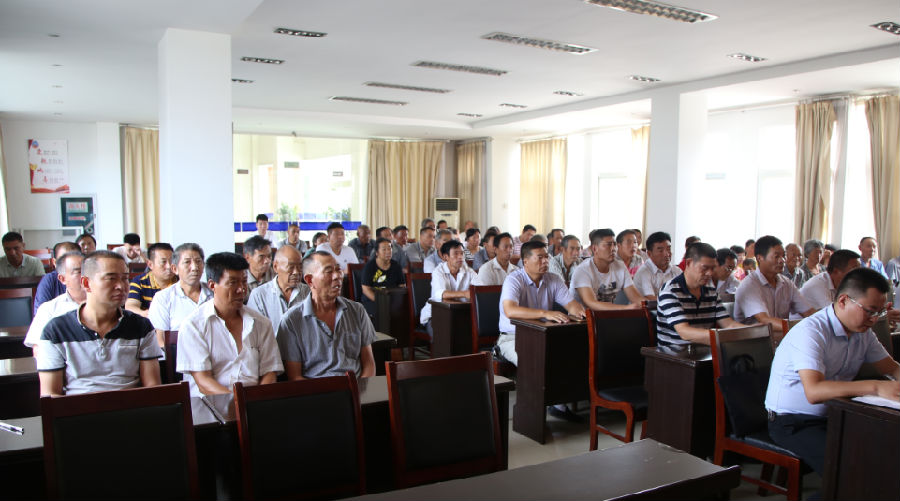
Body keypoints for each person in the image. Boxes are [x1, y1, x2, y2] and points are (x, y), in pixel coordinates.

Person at [765, 268, 899, 477]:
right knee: (852, 469)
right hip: (792, 421)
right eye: (870, 311)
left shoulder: (862, 332)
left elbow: (892, 368)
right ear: (844, 300)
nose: (874, 320)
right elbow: (814, 391)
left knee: (886, 449)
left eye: (879, 313)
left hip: (835, 414)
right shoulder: (811, 331)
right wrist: (876, 388)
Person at [36, 251, 161, 395]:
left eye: (125, 278)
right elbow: (50, 395)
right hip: (77, 407)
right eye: (111, 278)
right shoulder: (56, 331)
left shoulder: (141, 326)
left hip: (131, 406)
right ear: (86, 283)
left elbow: (152, 388)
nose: (121, 286)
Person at [177, 252, 283, 396]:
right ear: (212, 285)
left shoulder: (261, 323)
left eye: (244, 281)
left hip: (254, 401)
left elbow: (269, 373)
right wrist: (239, 403)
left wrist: (256, 401)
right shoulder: (194, 326)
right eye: (232, 283)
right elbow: (203, 382)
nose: (241, 289)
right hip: (210, 404)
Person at [277, 252, 376, 379]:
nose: (337, 276)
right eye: (329, 271)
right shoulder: (291, 320)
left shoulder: (357, 311)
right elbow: (295, 377)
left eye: (338, 269)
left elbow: (369, 363)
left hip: (357, 386)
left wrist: (362, 389)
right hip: (315, 389)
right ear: (310, 280)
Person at [496, 241, 585, 365]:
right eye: (540, 257)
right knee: (533, 361)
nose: (545, 261)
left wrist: (580, 313)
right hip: (513, 337)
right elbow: (510, 311)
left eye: (547, 257)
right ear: (525, 261)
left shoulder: (553, 279)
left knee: (574, 354)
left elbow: (571, 305)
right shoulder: (513, 280)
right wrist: (545, 313)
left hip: (544, 335)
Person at [656, 243, 742, 346]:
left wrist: (754, 331)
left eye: (712, 268)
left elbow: (728, 324)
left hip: (704, 351)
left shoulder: (710, 291)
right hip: (673, 353)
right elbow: (684, 332)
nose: (710, 273)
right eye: (705, 268)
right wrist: (721, 336)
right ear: (688, 263)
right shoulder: (670, 291)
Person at [733, 235, 816, 338]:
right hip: (753, 341)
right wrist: (801, 329)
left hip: (779, 339)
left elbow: (808, 311)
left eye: (783, 256)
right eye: (776, 256)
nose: (782, 260)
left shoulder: (786, 283)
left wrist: (820, 323)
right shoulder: (749, 285)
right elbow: (765, 320)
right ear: (759, 258)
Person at [148, 243, 213, 346]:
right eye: (187, 262)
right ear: (175, 269)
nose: (194, 267)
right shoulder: (163, 298)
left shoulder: (214, 294)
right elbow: (160, 340)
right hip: (178, 355)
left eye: (198, 262)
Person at [24, 251, 85, 353]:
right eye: (78, 272)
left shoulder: (108, 305)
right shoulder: (49, 309)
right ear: (62, 279)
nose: (86, 276)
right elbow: (39, 350)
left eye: (89, 271)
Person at [571, 228, 644, 310]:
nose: (613, 248)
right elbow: (591, 303)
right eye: (608, 245)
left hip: (610, 315)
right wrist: (625, 308)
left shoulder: (620, 266)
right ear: (594, 249)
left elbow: (635, 297)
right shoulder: (583, 270)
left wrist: (649, 305)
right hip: (584, 316)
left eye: (614, 244)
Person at [420, 240, 477, 337]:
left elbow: (479, 288)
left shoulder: (469, 271)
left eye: (462, 253)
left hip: (460, 313)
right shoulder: (438, 271)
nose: (460, 257)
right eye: (456, 254)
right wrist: (465, 294)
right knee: (442, 335)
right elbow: (441, 294)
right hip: (436, 314)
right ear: (445, 257)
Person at [246, 245, 310, 331]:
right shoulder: (259, 296)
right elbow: (254, 332)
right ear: (275, 267)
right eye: (291, 267)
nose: (296, 272)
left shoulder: (309, 293)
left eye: (300, 267)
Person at [125, 242, 176, 317]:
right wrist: (144, 314)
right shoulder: (140, 282)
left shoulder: (181, 281)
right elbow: (130, 307)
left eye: (172, 261)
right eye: (163, 262)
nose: (169, 266)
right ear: (150, 264)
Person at [360, 237, 405, 317]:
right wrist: (381, 302)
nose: (388, 251)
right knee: (383, 312)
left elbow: (402, 286)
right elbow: (366, 289)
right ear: (377, 253)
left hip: (392, 300)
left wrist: (396, 301)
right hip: (373, 300)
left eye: (389, 248)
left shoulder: (396, 266)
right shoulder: (370, 266)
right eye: (384, 249)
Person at [632, 231, 682, 300]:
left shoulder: (676, 270)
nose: (667, 254)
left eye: (668, 249)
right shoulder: (644, 272)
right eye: (661, 251)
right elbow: (650, 298)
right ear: (649, 254)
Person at [33, 241, 79, 314]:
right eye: (64, 260)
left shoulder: (87, 279)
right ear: (55, 262)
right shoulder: (49, 280)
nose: (70, 263)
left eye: (74, 258)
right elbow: (41, 314)